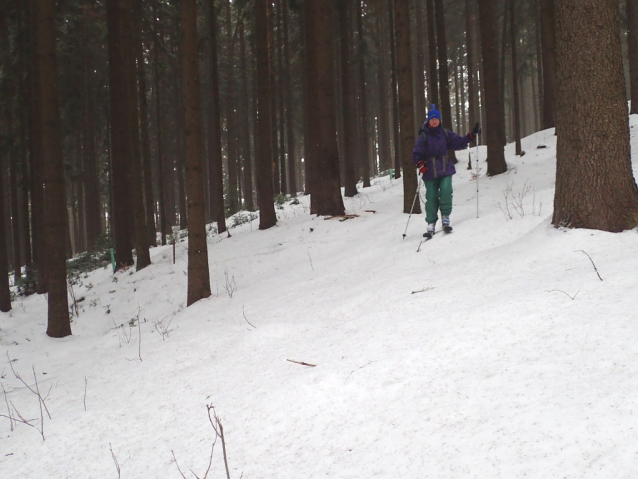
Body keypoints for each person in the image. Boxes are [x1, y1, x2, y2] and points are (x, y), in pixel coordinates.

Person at [412, 104, 480, 238]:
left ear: (439, 120)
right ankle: (431, 223)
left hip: (445, 167)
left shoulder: (445, 133)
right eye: (432, 119)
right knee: (431, 197)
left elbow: (459, 142)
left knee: (446, 191)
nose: (434, 121)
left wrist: (471, 136)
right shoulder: (423, 136)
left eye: (436, 119)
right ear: (429, 121)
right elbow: (416, 153)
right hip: (429, 170)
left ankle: (445, 217)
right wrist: (420, 164)